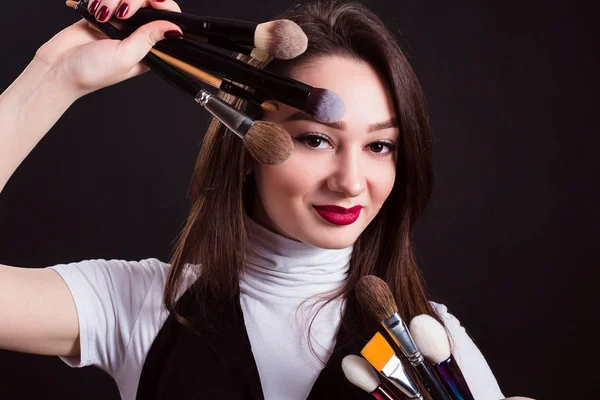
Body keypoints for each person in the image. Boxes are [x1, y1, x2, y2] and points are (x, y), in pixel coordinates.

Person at [0, 0, 528, 399]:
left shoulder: (432, 342)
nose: (350, 181)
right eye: (315, 139)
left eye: (379, 145)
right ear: (248, 144)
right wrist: (57, 75)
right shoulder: (140, 308)